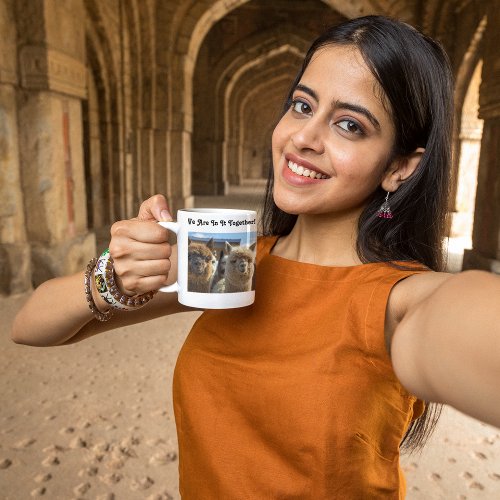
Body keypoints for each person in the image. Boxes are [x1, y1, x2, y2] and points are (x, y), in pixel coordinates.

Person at [11, 15, 500, 499]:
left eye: (349, 125)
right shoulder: (234, 263)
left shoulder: (398, 303)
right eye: (302, 105)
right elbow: (31, 326)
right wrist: (115, 276)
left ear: (399, 168)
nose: (304, 138)